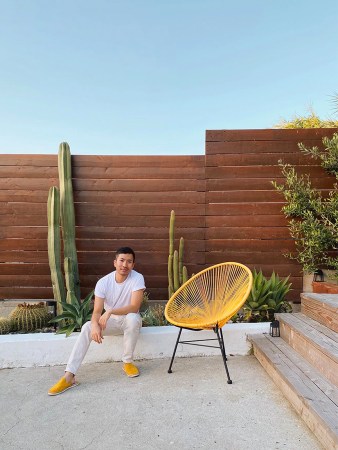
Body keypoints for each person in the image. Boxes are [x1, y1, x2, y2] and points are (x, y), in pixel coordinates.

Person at [48, 246, 146, 396]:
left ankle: (127, 362)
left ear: (133, 265)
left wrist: (111, 311)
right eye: (121, 260)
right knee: (87, 326)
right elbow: (97, 311)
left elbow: (134, 307)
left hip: (129, 320)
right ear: (115, 262)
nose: (124, 265)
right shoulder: (103, 282)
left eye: (129, 262)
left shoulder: (137, 278)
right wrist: (94, 325)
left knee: (133, 318)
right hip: (111, 322)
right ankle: (69, 376)